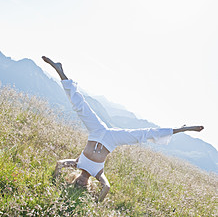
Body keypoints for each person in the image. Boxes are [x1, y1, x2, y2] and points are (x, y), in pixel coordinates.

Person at [42, 56, 204, 202]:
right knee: (144, 134)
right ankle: (182, 129)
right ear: (87, 185)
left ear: (75, 179)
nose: (81, 182)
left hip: (96, 131)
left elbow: (59, 164)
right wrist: (97, 201)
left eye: (77, 183)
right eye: (82, 185)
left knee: (80, 106)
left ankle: (60, 70)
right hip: (113, 139)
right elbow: (107, 187)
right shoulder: (98, 174)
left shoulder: (77, 164)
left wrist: (55, 181)